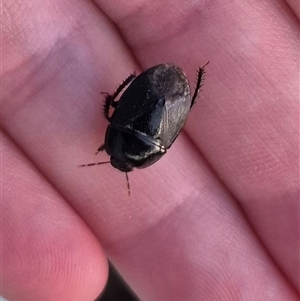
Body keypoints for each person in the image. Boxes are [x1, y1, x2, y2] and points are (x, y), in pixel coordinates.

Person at [1, 1, 299, 300]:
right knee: (113, 113)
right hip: (146, 97)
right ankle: (162, 81)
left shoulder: (147, 154)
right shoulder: (121, 138)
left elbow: (160, 137)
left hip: (160, 105)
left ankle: (184, 83)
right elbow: (114, 110)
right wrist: (129, 87)